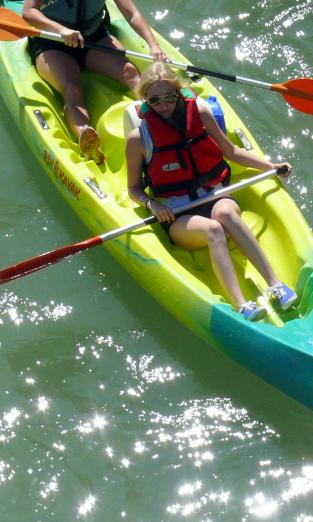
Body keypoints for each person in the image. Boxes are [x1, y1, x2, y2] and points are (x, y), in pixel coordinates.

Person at [125, 64, 298, 321]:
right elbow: (133, 189)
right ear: (145, 100)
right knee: (213, 229)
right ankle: (241, 304)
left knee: (226, 214)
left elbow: (231, 152)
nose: (164, 105)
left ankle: (275, 284)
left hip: (214, 194)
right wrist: (152, 204)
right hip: (179, 214)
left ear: (179, 93)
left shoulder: (201, 113)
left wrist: (271, 166)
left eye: (170, 97)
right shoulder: (139, 138)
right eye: (155, 100)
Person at [23, 0, 167, 163]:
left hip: (94, 38)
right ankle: (85, 134)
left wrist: (153, 45)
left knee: (131, 72)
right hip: (53, 43)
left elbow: (132, 14)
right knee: (72, 88)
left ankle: (161, 115)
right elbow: (28, 13)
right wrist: (61, 30)